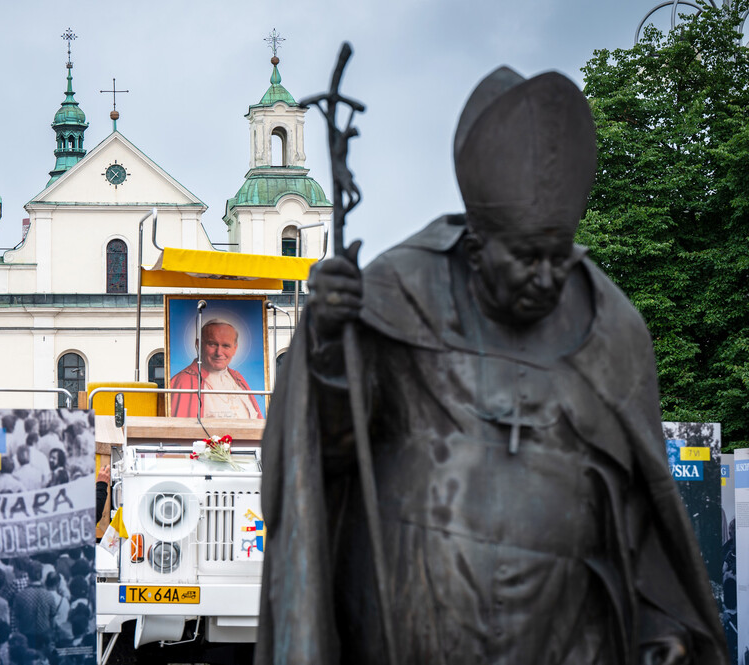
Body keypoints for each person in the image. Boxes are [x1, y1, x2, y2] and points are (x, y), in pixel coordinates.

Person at [256, 68, 726, 664]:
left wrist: (660, 626)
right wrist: (327, 339)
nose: (547, 277)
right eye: (527, 257)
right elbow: (328, 449)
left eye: (559, 256)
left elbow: (640, 506)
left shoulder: (609, 326)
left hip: (568, 635)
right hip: (410, 626)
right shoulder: (398, 290)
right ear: (477, 248)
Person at [170, 319, 263, 418]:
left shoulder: (237, 378)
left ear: (235, 349)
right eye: (212, 344)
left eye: (226, 346)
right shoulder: (183, 381)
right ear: (198, 344)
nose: (219, 353)